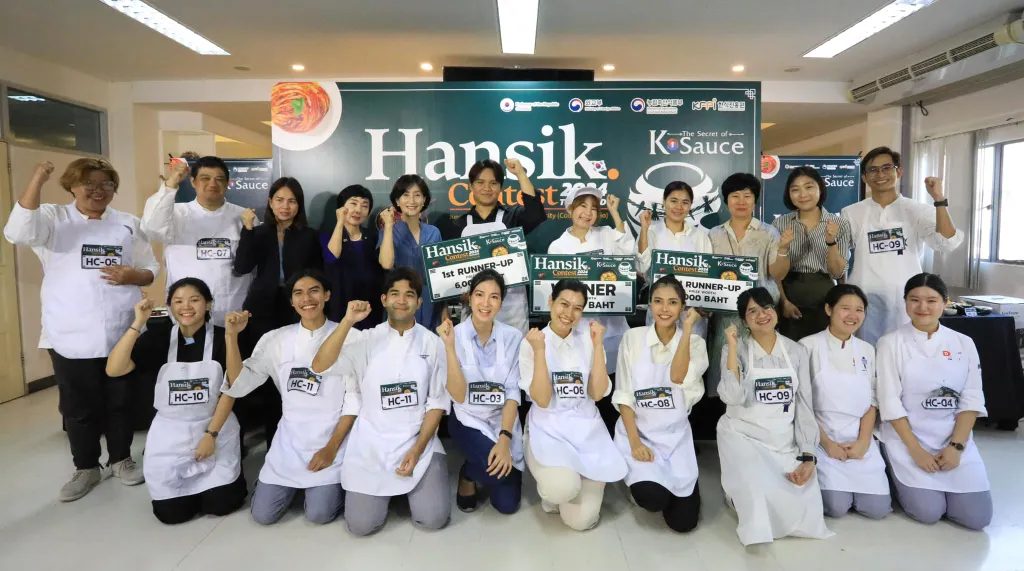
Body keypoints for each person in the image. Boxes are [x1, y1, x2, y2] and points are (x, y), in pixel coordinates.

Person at [3, 160, 158, 501]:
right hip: (70, 331)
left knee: (120, 401)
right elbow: (18, 232)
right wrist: (37, 178)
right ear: (72, 186)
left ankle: (121, 459)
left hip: (122, 331)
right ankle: (86, 467)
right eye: (89, 184)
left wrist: (133, 276)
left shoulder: (127, 224)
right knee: (78, 406)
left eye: (106, 184)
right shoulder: (52, 218)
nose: (98, 191)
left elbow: (150, 267)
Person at [312, 268, 451, 536]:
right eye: (395, 294)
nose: (402, 300)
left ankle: (409, 491)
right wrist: (347, 321)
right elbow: (319, 365)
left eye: (409, 295)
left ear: (419, 302)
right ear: (384, 299)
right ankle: (387, 495)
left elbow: (437, 403)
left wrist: (417, 450)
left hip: (417, 439)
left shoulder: (433, 344)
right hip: (371, 442)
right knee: (361, 526)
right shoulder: (365, 339)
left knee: (433, 519)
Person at [105, 278, 248, 524]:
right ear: (170, 306)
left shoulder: (223, 335)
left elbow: (235, 385)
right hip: (170, 433)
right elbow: (114, 369)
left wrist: (211, 435)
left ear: (208, 304)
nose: (186, 307)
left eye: (194, 300)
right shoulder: (158, 338)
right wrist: (138, 322)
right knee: (171, 514)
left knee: (221, 504)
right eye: (178, 301)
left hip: (214, 425)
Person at [221, 269, 357, 525]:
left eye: (314, 291)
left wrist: (330, 448)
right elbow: (239, 384)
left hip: (333, 437)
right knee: (263, 515)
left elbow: (354, 400)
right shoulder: (275, 339)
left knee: (319, 515)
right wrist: (231, 336)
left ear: (327, 295)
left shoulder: (349, 336)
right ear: (291, 301)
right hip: (290, 441)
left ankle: (323, 488)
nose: (307, 299)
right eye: (298, 293)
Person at [876, 273, 992, 530]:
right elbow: (889, 401)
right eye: (914, 300)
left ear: (945, 303)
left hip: (952, 438)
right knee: (928, 512)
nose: (923, 307)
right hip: (907, 439)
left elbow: (971, 399)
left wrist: (956, 447)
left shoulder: (964, 343)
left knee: (976, 519)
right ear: (905, 302)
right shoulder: (890, 344)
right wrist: (916, 451)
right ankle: (893, 474)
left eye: (931, 300)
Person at [716, 287, 831, 546]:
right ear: (743, 320)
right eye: (752, 311)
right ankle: (735, 494)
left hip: (783, 439)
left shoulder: (796, 351)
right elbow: (732, 396)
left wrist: (808, 454)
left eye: (766, 308)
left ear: (776, 311)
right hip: (742, 436)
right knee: (758, 499)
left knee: (801, 509)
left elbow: (804, 405)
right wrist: (732, 346)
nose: (762, 315)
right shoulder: (735, 349)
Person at [518, 279, 627, 531]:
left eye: (577, 308)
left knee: (582, 521)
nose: (569, 313)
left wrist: (598, 345)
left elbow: (597, 394)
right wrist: (539, 351)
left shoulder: (589, 339)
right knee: (561, 489)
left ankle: (573, 480)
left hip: (586, 430)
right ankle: (557, 488)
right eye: (563, 304)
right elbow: (542, 399)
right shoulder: (532, 342)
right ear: (550, 302)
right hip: (549, 427)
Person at [613, 276, 708, 533]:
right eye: (658, 301)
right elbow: (624, 395)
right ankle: (637, 484)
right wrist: (635, 443)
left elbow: (678, 376)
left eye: (673, 303)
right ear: (650, 305)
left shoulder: (695, 344)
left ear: (683, 307)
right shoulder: (633, 338)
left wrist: (687, 329)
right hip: (640, 433)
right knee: (653, 500)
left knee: (684, 523)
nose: (664, 309)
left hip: (675, 438)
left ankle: (681, 483)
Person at [233, 177, 324, 445]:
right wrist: (247, 230)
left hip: (297, 310)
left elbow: (317, 273)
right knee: (263, 373)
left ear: (299, 205)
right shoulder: (259, 232)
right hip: (261, 310)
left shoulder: (309, 235)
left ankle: (289, 437)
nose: (285, 206)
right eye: (280, 200)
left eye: (292, 201)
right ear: (270, 203)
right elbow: (242, 266)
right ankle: (261, 439)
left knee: (293, 372)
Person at [841, 147, 964, 345]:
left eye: (886, 168)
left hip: (905, 300)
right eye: (872, 170)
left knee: (905, 351)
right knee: (866, 353)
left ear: (898, 171)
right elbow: (839, 256)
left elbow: (947, 241)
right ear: (864, 177)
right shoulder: (851, 212)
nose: (880, 174)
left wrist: (939, 200)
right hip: (865, 298)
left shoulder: (918, 210)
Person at [700, 173, 789, 439]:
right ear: (726, 201)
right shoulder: (713, 235)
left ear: (755, 200)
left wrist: (783, 248)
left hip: (760, 315)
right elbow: (705, 274)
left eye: (747, 196)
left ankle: (760, 428)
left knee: (759, 367)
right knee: (726, 369)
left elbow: (777, 273)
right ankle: (728, 432)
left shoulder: (769, 232)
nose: (741, 201)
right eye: (735, 196)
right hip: (725, 315)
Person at [799, 284, 891, 519]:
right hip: (821, 438)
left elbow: (872, 402)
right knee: (836, 507)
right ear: (829, 309)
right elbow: (802, 404)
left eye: (859, 310)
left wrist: (863, 442)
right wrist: (827, 443)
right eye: (845, 308)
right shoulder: (807, 346)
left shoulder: (867, 350)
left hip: (858, 439)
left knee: (877, 510)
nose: (853, 315)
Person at [437, 269, 524, 514]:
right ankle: (469, 473)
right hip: (467, 418)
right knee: (499, 474)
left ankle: (474, 469)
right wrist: (450, 347)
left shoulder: (513, 337)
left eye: (494, 297)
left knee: (507, 505)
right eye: (479, 295)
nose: (486, 303)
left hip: (501, 419)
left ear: (501, 302)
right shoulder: (452, 335)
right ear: (469, 297)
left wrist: (504, 439)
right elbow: (458, 395)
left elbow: (512, 393)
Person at [548, 185, 632, 430]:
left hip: (612, 327)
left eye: (594, 208)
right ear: (570, 209)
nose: (588, 213)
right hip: (579, 330)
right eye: (582, 206)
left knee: (613, 387)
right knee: (587, 387)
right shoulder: (558, 246)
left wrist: (615, 213)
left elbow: (628, 253)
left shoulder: (606, 233)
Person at [142, 156, 252, 326]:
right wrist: (172, 182)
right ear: (193, 182)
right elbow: (152, 227)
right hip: (187, 315)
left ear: (227, 183)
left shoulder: (244, 216)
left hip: (233, 314)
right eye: (205, 178)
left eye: (219, 179)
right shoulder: (176, 214)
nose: (212, 184)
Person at [437, 158, 545, 334]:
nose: (486, 188)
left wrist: (520, 173)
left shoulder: (513, 218)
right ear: (471, 186)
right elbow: (449, 274)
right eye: (480, 182)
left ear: (500, 187)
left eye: (493, 183)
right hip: (474, 312)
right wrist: (458, 294)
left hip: (512, 311)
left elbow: (535, 213)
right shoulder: (458, 226)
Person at [772, 167, 852, 341]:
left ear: (820, 189)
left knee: (823, 348)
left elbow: (837, 273)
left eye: (809, 187)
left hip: (823, 294)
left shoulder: (839, 224)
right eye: (795, 189)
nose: (802, 194)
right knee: (790, 348)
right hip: (789, 292)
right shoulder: (780, 224)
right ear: (789, 194)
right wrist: (784, 301)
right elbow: (775, 272)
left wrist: (831, 242)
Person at [635, 181, 713, 330]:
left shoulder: (700, 236)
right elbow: (641, 266)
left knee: (692, 345)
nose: (679, 207)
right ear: (664, 201)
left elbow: (709, 275)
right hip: (660, 312)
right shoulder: (650, 232)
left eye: (685, 202)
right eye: (673, 201)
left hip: (691, 314)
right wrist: (644, 229)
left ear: (690, 205)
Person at [378, 174, 443, 328]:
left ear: (424, 200)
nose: (412, 201)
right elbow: (386, 264)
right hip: (400, 302)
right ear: (397, 201)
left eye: (417, 195)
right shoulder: (388, 231)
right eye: (405, 195)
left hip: (429, 302)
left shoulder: (433, 232)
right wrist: (388, 226)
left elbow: (440, 275)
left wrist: (444, 310)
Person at [323, 184, 384, 328]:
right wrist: (340, 222)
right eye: (353, 203)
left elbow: (385, 265)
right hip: (339, 305)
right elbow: (332, 257)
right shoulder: (327, 235)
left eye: (364, 206)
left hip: (370, 306)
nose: (358, 210)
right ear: (341, 208)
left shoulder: (373, 237)